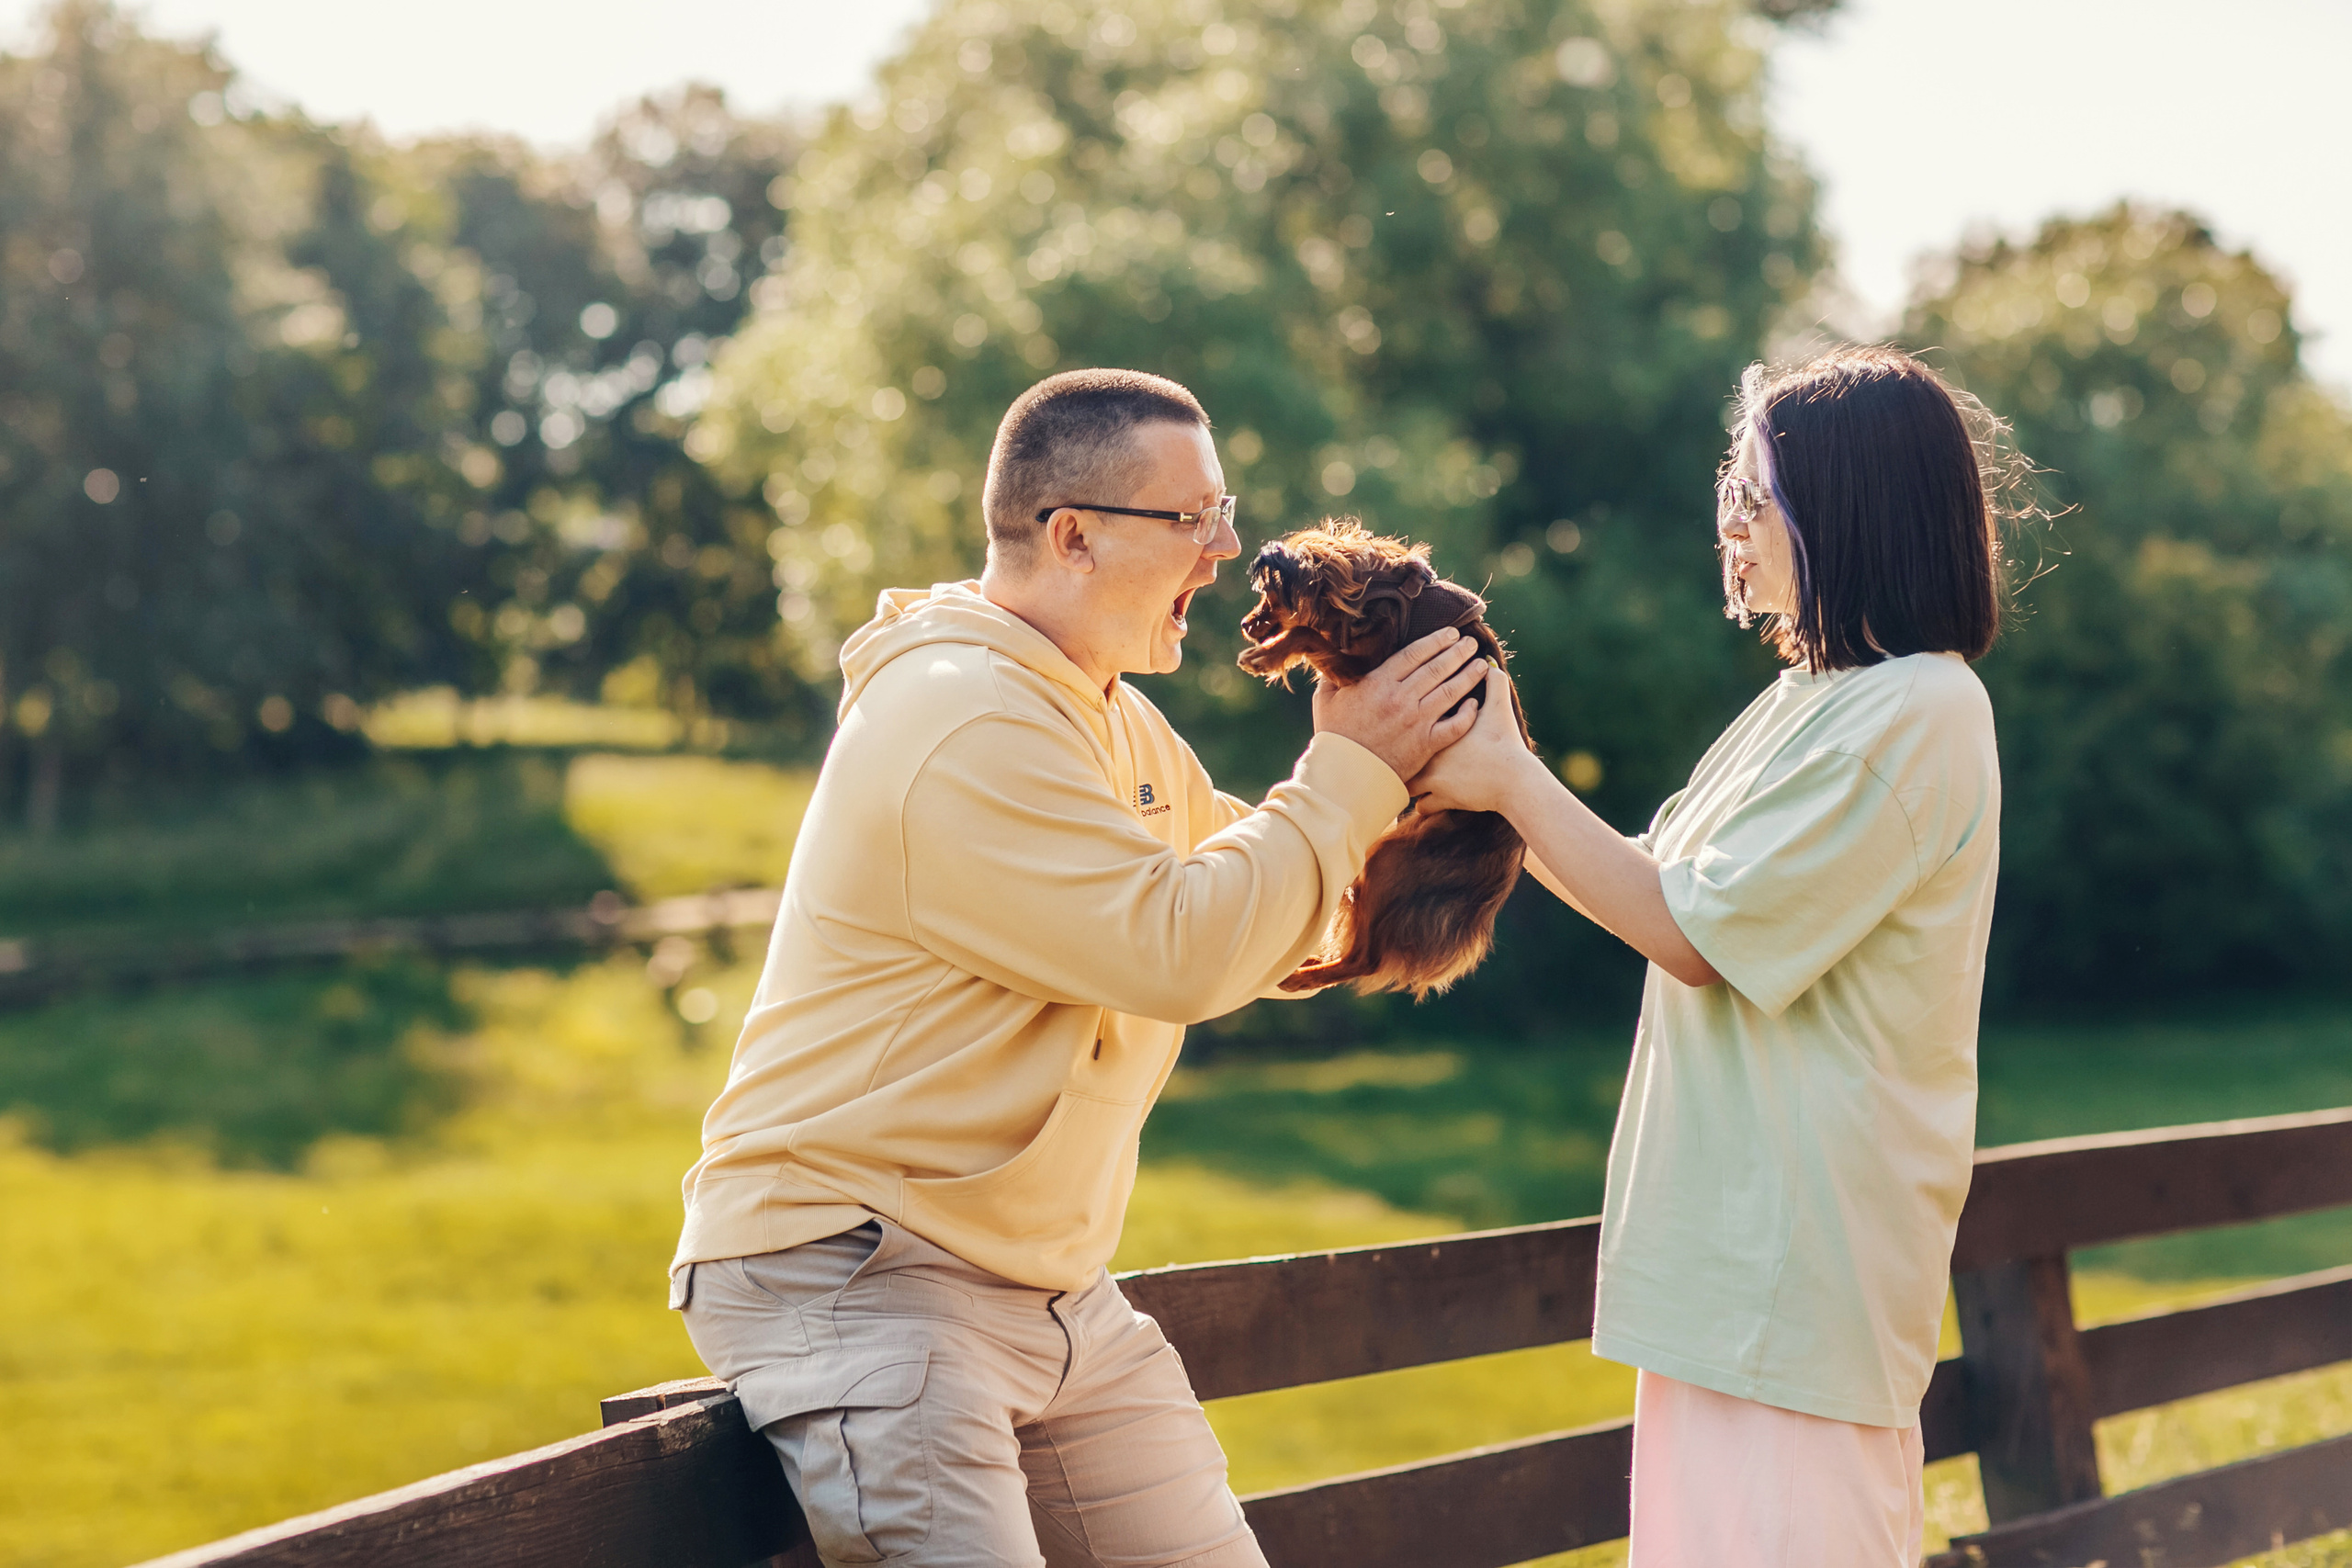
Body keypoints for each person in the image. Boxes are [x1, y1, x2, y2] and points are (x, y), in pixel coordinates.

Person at [671, 367, 1490, 1568]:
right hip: (861, 1273)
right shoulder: (963, 713)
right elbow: (1184, 948)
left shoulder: (1106, 715)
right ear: (1072, 536)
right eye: (1192, 518)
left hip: (1049, 1294)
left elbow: (1269, 907)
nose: (1226, 550)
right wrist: (1346, 772)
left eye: (1226, 510)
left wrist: (1453, 795)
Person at [1415, 345, 2006, 1564]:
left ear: (1841, 510)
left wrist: (1512, 780)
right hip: (1729, 1277)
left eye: (1756, 494)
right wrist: (1495, 773)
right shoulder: (1815, 698)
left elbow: (1691, 935)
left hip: (1798, 1284)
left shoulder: (1918, 710)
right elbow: (1670, 888)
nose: (1730, 527)